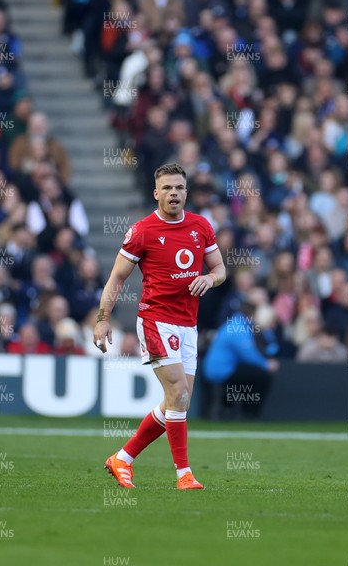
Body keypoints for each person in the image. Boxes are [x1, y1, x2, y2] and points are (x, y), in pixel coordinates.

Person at [93, 163, 226, 490]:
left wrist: (209, 278)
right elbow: (117, 277)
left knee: (176, 402)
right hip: (154, 320)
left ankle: (122, 458)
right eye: (167, 188)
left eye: (179, 188)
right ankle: (184, 474)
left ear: (186, 192)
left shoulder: (200, 227)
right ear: (156, 194)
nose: (174, 193)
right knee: (178, 394)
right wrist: (102, 319)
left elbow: (221, 269)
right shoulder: (143, 231)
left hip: (187, 325)